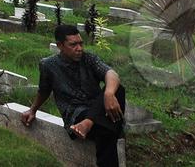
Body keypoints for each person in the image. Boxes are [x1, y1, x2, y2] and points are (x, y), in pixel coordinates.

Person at [22, 24, 126, 167]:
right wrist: (32, 110)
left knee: (117, 89)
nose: (79, 48)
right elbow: (44, 90)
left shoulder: (88, 59)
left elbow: (111, 73)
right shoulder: (48, 65)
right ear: (60, 45)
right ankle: (92, 122)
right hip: (76, 115)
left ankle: (88, 123)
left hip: (97, 109)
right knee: (108, 130)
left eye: (81, 43)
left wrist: (108, 93)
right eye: (73, 45)